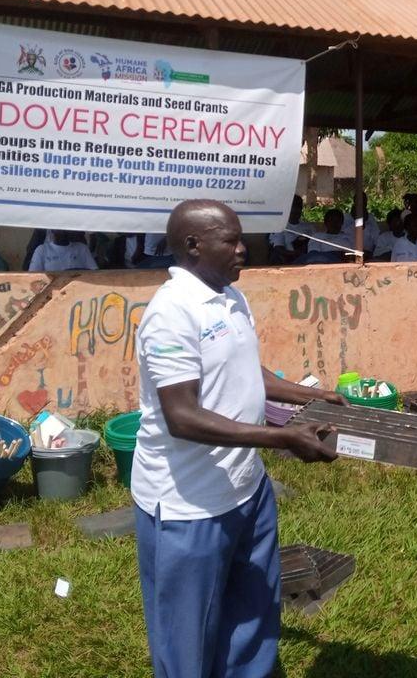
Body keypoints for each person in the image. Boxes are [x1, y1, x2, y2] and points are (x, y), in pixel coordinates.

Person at [132, 199, 347, 678]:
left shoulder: (230, 297)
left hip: (247, 489)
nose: (242, 249)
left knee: (251, 613)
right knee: (187, 637)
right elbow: (182, 416)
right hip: (191, 504)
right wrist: (282, 438)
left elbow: (248, 370)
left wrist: (313, 395)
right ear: (193, 245)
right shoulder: (171, 313)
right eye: (230, 240)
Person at [268, 195, 311, 265]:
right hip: (288, 259)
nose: (296, 210)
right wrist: (295, 253)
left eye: (298, 207)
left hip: (307, 258)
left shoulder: (308, 227)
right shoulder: (280, 226)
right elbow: (278, 248)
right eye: (293, 207)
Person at [28, 230, 98, 271]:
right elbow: (33, 276)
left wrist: (75, 272)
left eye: (65, 229)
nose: (63, 232)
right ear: (52, 230)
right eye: (60, 229)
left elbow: (95, 272)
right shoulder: (42, 250)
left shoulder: (82, 248)